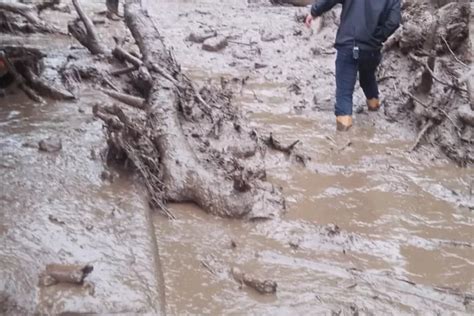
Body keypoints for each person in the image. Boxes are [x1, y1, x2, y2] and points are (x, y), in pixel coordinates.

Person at [305, 0, 401, 131]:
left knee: (344, 92)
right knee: (368, 77)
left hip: (349, 44)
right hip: (372, 48)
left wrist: (314, 11)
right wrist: (378, 37)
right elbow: (394, 22)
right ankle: (374, 106)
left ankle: (343, 136)